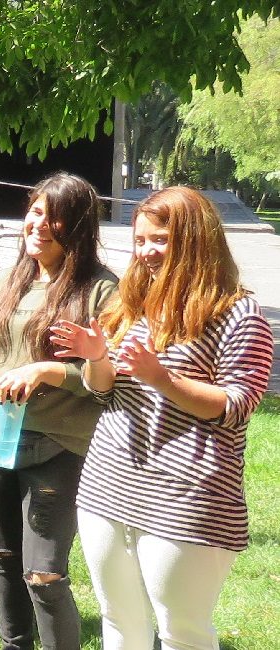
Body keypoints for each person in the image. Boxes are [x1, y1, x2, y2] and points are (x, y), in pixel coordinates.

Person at [53, 186, 272, 650]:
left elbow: (236, 406)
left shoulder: (239, 314)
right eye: (141, 239)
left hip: (186, 501)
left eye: (161, 240)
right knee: (118, 623)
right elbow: (103, 390)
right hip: (107, 488)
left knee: (182, 634)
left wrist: (162, 378)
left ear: (196, 240)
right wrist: (97, 358)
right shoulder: (135, 302)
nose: (148, 252)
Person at [0, 173, 119, 649]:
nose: (38, 224)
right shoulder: (5, 281)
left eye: (54, 216)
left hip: (58, 448)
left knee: (44, 574)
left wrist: (47, 372)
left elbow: (111, 382)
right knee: (4, 555)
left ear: (80, 227)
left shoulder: (101, 292)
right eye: (34, 211)